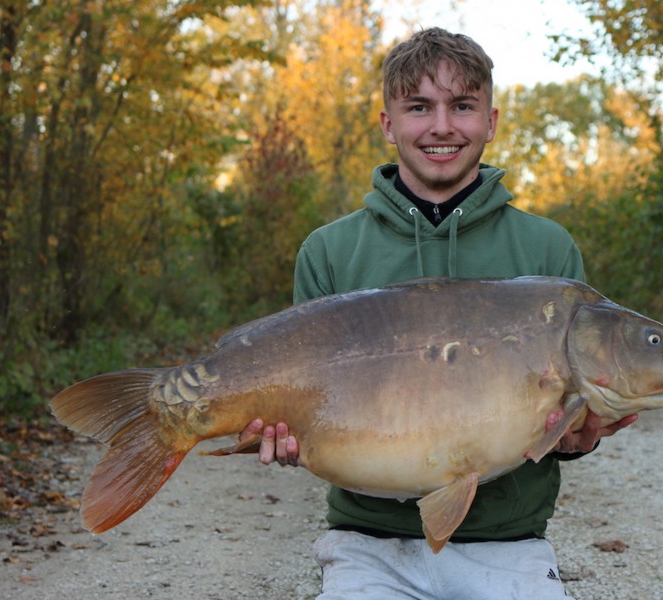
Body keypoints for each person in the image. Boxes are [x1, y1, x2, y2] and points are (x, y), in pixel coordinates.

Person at [240, 27, 637, 599]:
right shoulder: (328, 251)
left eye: (463, 106)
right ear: (388, 124)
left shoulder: (548, 252)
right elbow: (307, 407)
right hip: (366, 544)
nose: (443, 126)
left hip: (511, 545)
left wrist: (580, 438)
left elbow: (571, 424)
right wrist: (278, 435)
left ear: (492, 122)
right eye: (419, 107)